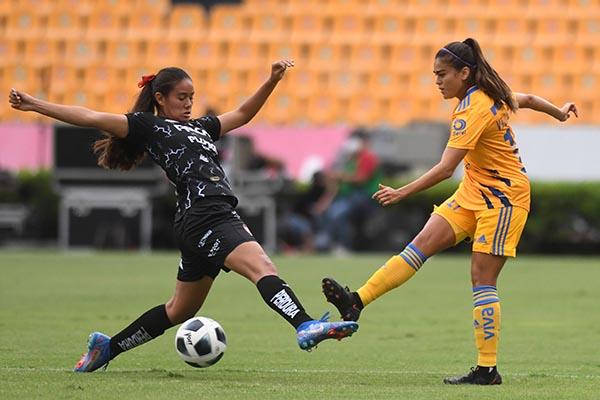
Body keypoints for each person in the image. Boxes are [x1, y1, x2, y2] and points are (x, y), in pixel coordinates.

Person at [9, 59, 358, 373]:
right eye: (181, 97)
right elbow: (90, 116)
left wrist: (271, 81)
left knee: (179, 311)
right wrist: (35, 104)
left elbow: (241, 114)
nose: (189, 103)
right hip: (207, 214)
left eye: (192, 97)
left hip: (201, 218)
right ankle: (305, 324)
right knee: (262, 267)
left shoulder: (202, 127)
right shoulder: (147, 126)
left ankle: (107, 348)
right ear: (160, 98)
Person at [321, 38, 578, 385]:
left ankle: (487, 370)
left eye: (442, 74)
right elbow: (528, 100)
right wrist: (559, 112)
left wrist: (402, 191)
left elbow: (444, 169)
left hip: (504, 198)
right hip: (474, 191)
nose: (437, 81)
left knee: (482, 279)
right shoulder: (487, 96)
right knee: (418, 247)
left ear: (464, 72)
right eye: (434, 75)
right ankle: (356, 302)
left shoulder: (472, 109)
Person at [315, 129, 382, 253]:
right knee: (329, 212)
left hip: (365, 197)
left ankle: (343, 245)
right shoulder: (350, 159)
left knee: (337, 214)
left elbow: (361, 178)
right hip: (349, 196)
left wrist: (340, 176)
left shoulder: (368, 157)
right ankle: (327, 241)